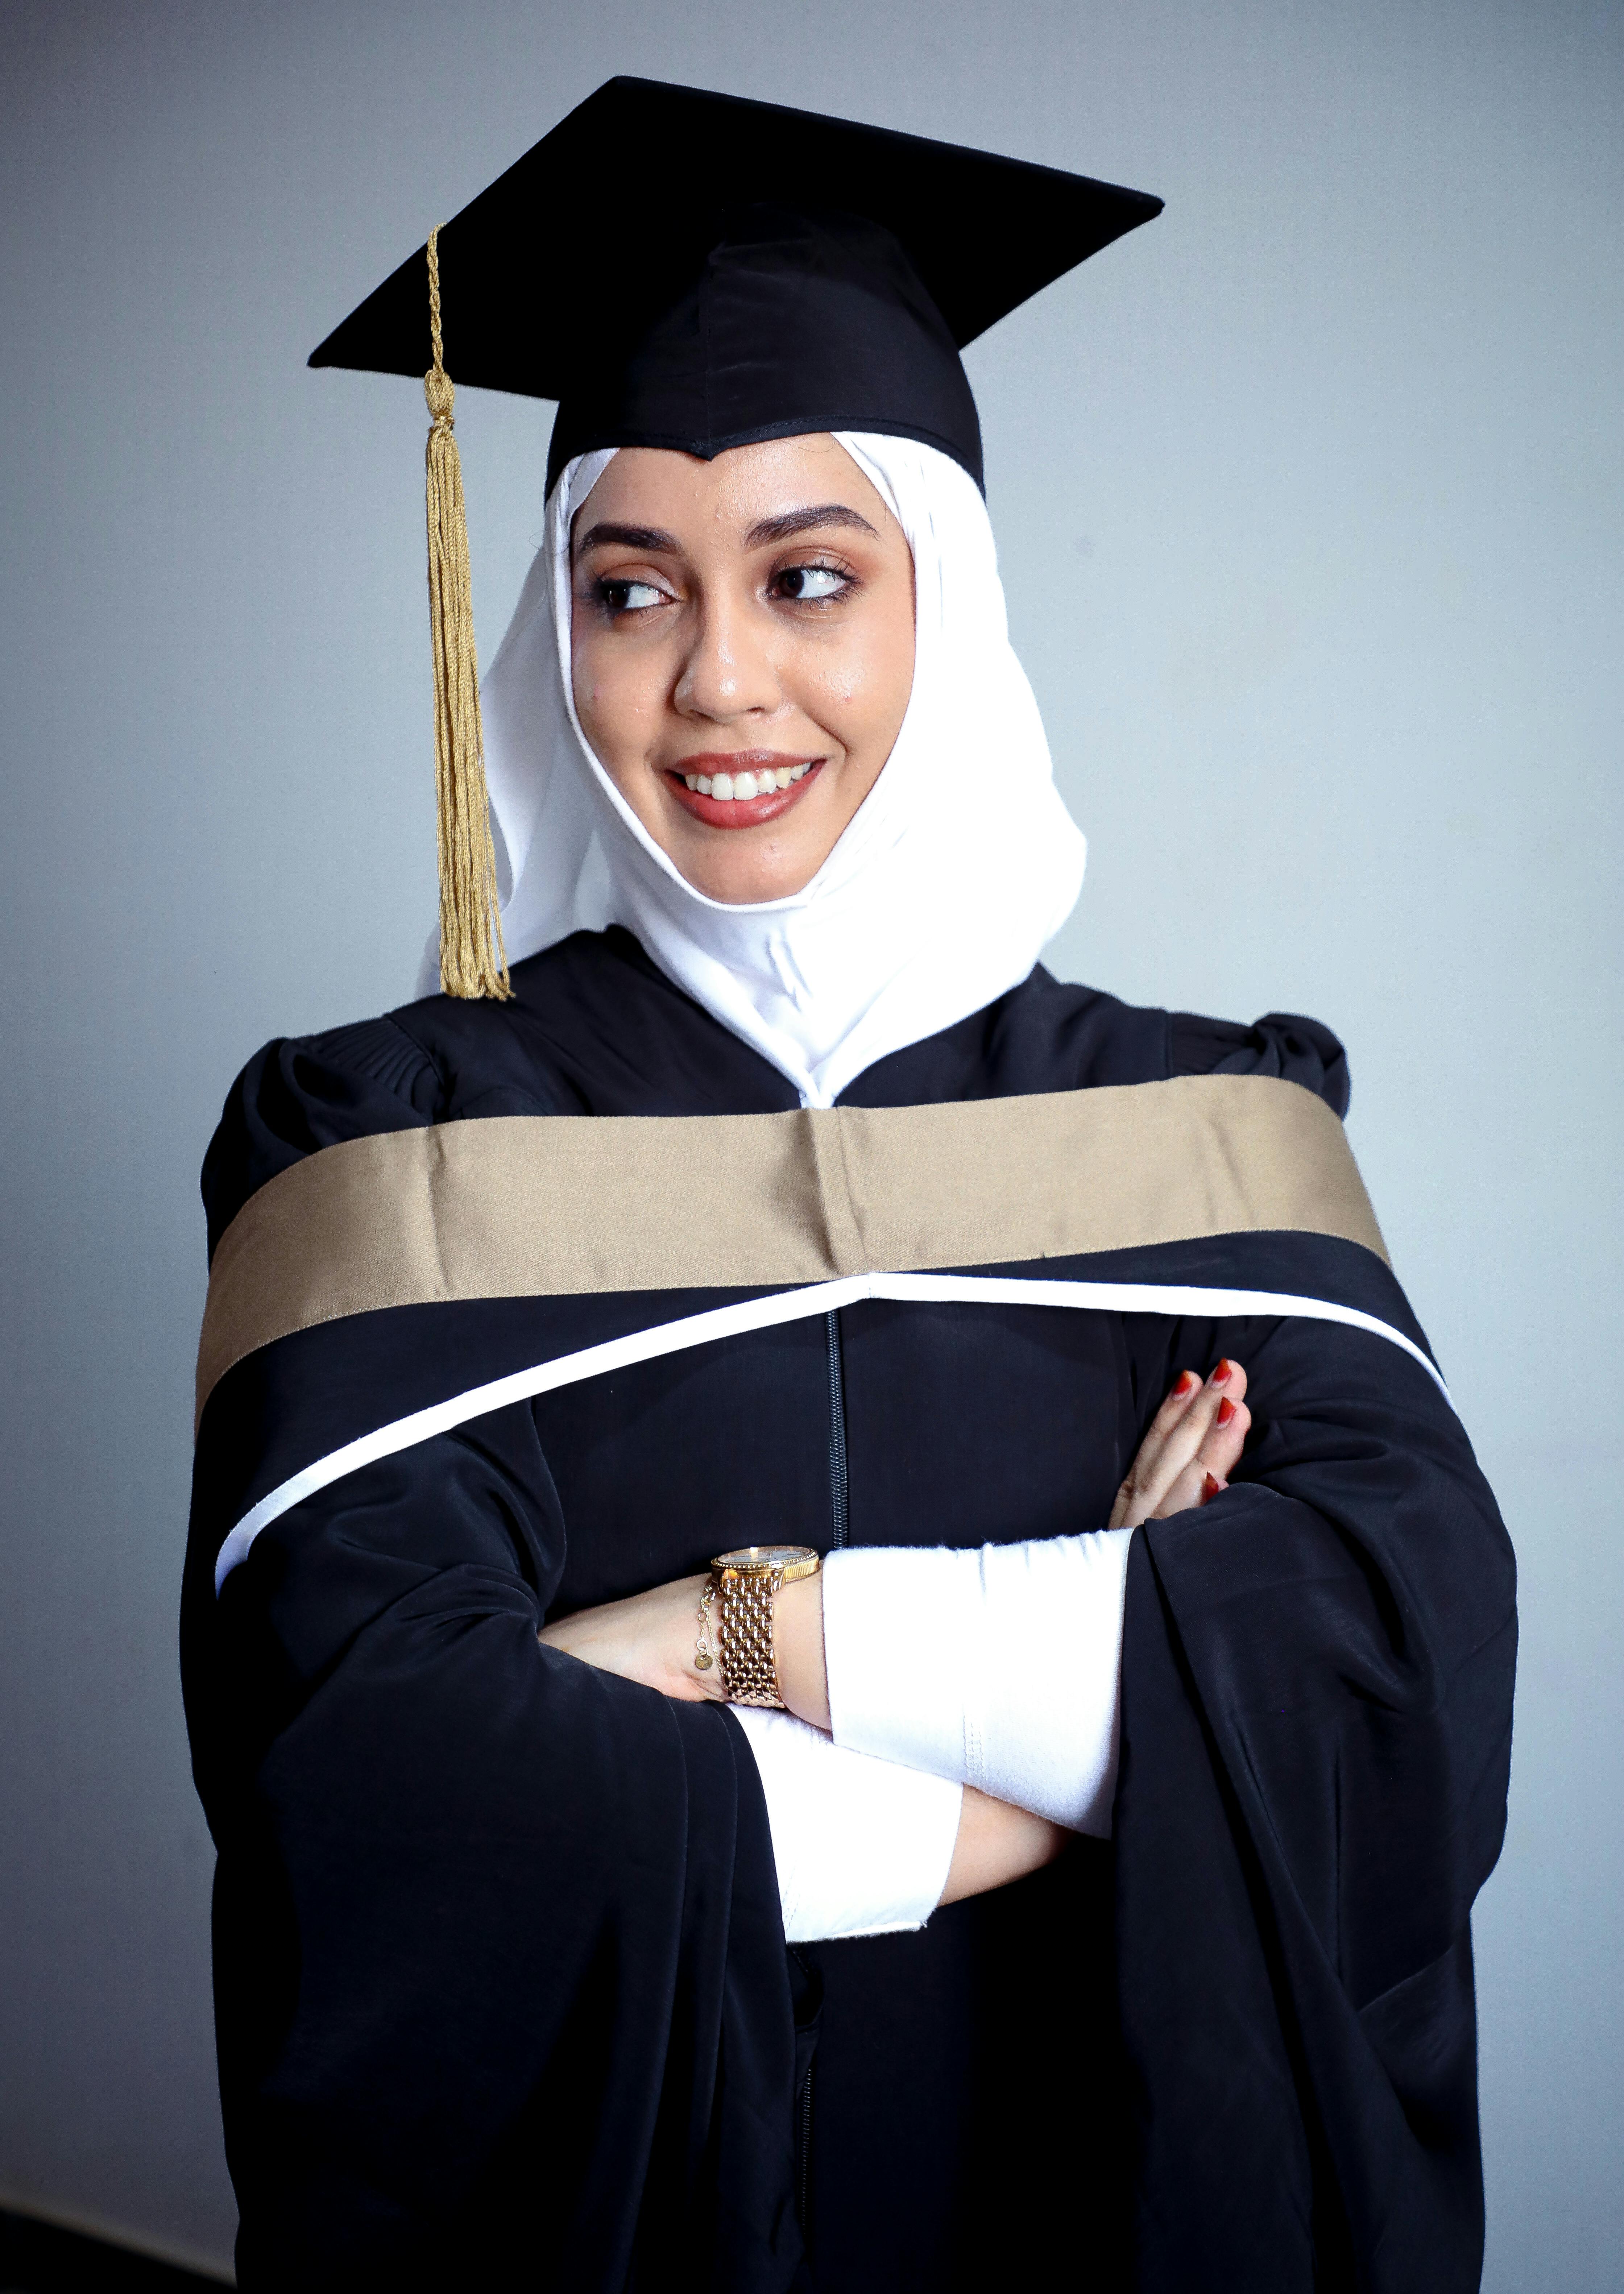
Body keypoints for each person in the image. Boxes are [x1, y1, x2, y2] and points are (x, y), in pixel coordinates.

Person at [181, 78, 1516, 2294]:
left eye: (811, 578)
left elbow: (1392, 1687)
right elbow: (384, 1793)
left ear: (949, 605)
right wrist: (1076, 1753)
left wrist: (738, 1636)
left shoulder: (1214, 1130)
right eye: (632, 591)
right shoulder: (390, 1145)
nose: (717, 681)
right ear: (555, 630)